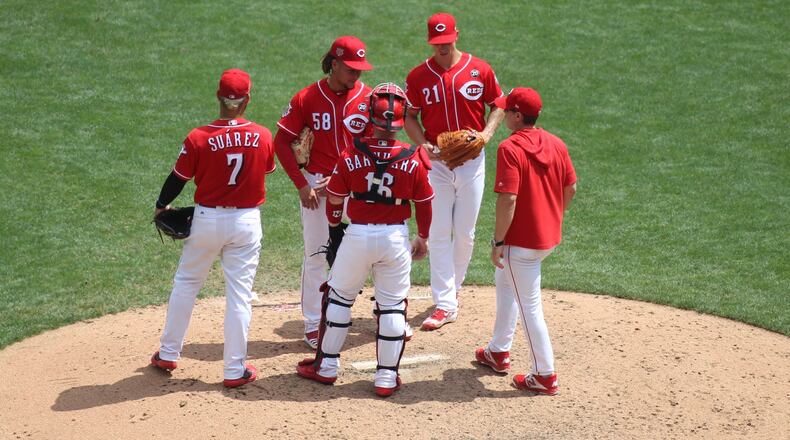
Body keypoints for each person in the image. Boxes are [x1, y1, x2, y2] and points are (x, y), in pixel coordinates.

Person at [295, 83, 434, 397]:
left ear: (371, 118)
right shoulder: (415, 156)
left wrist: (333, 228)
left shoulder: (351, 153)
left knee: (339, 297)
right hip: (395, 239)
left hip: (357, 235)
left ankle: (327, 366)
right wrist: (423, 237)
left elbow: (334, 198)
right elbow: (425, 204)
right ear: (400, 124)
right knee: (393, 307)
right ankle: (386, 377)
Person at [149, 69, 275, 388]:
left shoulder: (198, 137)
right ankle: (234, 370)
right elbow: (267, 169)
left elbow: (178, 178)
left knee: (187, 282)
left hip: (206, 220)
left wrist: (162, 205)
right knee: (240, 295)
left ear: (218, 96)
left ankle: (167, 353)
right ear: (247, 100)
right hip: (246, 223)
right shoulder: (262, 135)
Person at [404, 12, 504, 331]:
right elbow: (409, 117)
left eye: (446, 41)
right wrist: (423, 145)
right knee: (437, 231)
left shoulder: (480, 69)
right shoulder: (419, 76)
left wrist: (486, 135)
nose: (442, 48)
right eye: (437, 43)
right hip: (437, 164)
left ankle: (454, 289)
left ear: (457, 35)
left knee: (465, 232)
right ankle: (445, 302)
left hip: (472, 161)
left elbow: (499, 104)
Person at [474, 87, 577, 396]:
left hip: (522, 244)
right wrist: (552, 215)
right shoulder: (556, 143)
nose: (503, 113)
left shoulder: (510, 148)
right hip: (547, 238)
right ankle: (498, 350)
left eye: (508, 110)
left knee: (530, 306)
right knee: (505, 282)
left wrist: (498, 241)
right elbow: (571, 187)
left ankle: (545, 374)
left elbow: (508, 200)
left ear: (518, 116)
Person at [274, 36, 374, 349]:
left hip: (357, 186)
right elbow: (281, 142)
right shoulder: (307, 98)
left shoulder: (368, 98)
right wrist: (301, 184)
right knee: (316, 254)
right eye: (350, 68)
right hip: (317, 187)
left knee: (375, 250)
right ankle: (314, 323)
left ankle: (386, 313)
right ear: (334, 64)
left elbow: (375, 145)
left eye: (360, 68)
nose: (356, 74)